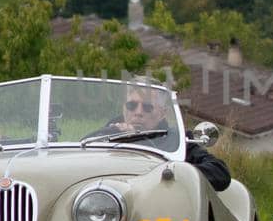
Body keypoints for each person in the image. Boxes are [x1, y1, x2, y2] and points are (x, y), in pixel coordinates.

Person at [89, 82, 230, 191]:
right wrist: (109, 133)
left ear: (162, 113)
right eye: (132, 105)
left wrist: (173, 173)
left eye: (147, 107)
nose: (138, 112)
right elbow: (80, 155)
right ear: (124, 108)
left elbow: (220, 173)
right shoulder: (106, 134)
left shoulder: (177, 140)